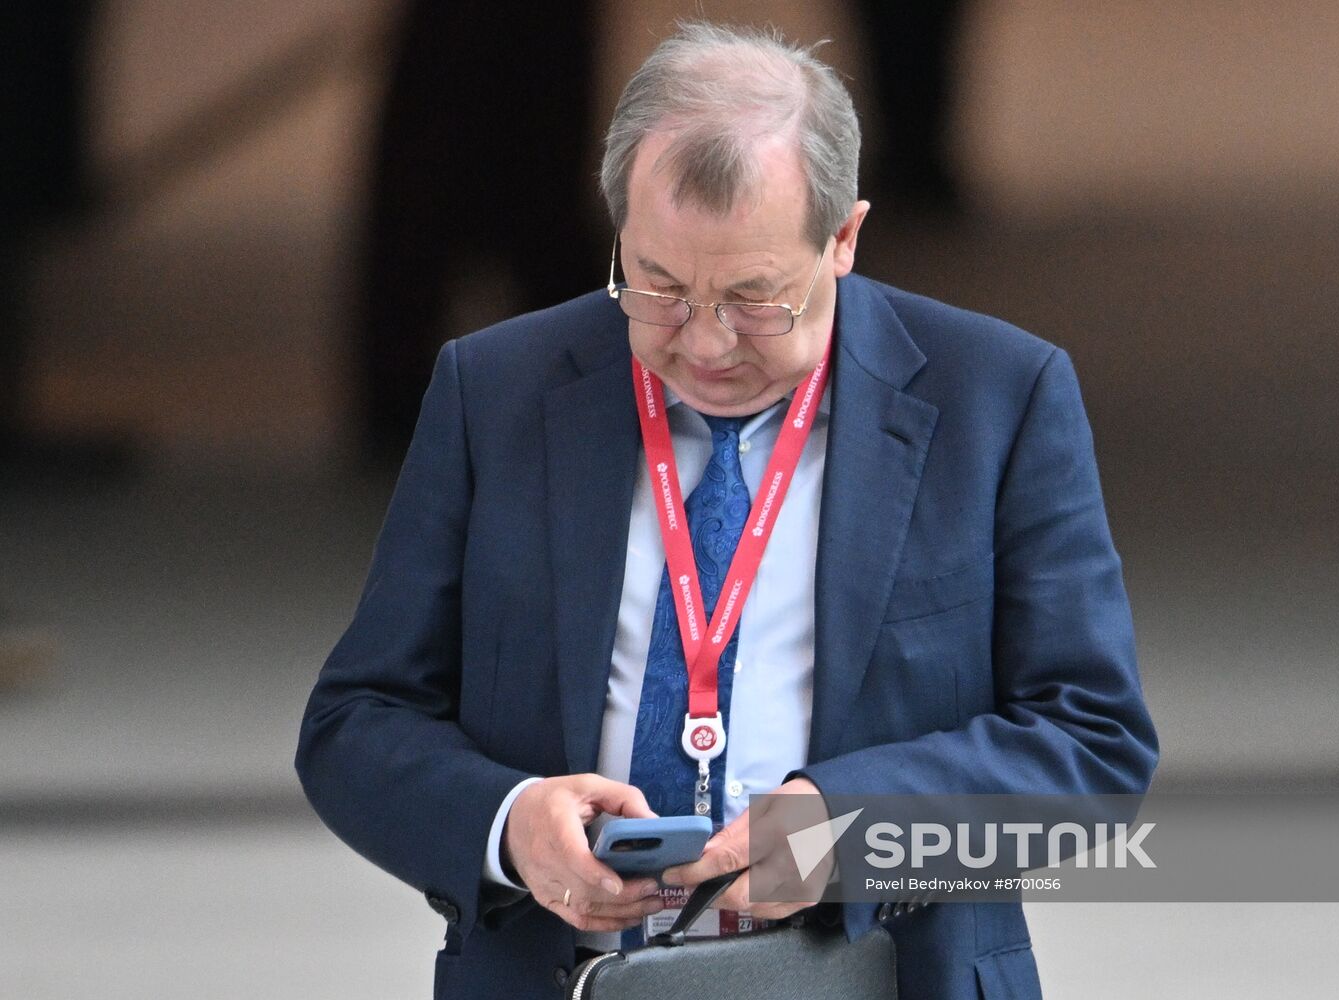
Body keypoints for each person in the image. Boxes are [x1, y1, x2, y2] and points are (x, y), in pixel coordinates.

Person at [296, 22, 1157, 1000]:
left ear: (843, 238)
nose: (702, 345)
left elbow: (1093, 743)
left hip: (883, 975)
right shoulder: (495, 391)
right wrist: (505, 822)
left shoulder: (996, 397)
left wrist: (850, 830)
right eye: (656, 286)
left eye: (754, 299)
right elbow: (356, 720)